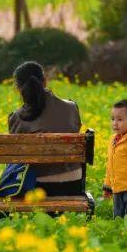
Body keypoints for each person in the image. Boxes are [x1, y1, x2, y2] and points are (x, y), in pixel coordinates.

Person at [7, 61, 83, 196]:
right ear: (45, 81)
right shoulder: (72, 107)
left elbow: (16, 156)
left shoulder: (17, 117)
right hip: (74, 183)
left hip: (39, 188)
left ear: (18, 88)